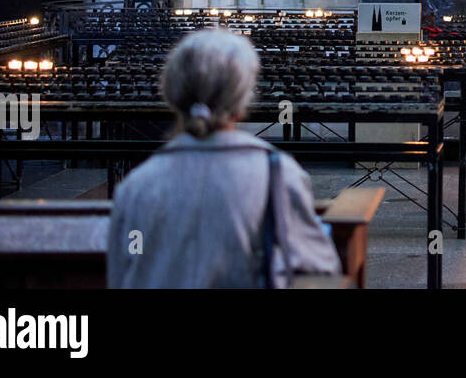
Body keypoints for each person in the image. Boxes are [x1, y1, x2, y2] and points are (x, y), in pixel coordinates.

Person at [106, 29, 341, 288]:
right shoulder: (276, 175)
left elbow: (123, 274)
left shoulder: (136, 185)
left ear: (171, 96)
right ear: (242, 104)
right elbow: (320, 269)